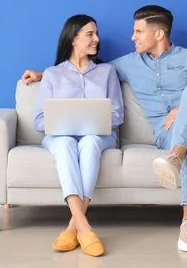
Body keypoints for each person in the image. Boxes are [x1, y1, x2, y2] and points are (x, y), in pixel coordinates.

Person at [22, 6, 187, 253]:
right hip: (170, 133)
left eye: (138, 32)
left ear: (160, 34)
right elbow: (86, 70)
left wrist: (184, 107)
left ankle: (176, 159)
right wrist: (42, 75)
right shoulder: (129, 64)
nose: (133, 37)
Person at [33, 14, 124, 257]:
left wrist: (93, 123)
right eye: (90, 34)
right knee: (63, 144)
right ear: (73, 39)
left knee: (90, 141)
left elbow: (117, 114)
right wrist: (68, 125)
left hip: (99, 135)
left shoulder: (107, 71)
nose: (96, 39)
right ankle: (84, 226)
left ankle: (74, 227)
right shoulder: (52, 74)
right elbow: (40, 120)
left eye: (96, 34)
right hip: (59, 136)